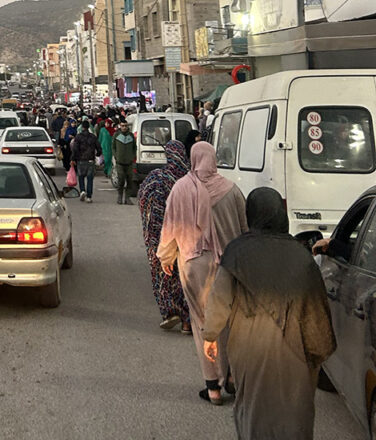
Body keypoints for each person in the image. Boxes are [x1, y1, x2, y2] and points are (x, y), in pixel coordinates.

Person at [203, 187, 336, 437]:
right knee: (296, 410)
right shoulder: (301, 256)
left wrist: (210, 336)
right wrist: (319, 352)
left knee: (254, 407)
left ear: (251, 214)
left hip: (249, 348)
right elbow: (317, 308)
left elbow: (219, 300)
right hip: (296, 351)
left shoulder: (237, 252)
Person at [157, 142, 248, 405]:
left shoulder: (180, 189)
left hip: (194, 265)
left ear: (193, 159)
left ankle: (213, 388)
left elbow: (170, 227)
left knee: (202, 324)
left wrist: (166, 257)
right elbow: (244, 230)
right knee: (229, 321)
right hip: (229, 266)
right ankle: (230, 377)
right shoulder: (232, 190)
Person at [137, 141, 192, 335]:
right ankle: (187, 320)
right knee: (185, 277)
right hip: (187, 237)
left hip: (159, 237)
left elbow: (142, 199)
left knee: (163, 274)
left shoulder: (155, 178)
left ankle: (169, 312)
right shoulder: (190, 179)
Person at [71, 121, 101, 203]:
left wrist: (73, 158)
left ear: (82, 127)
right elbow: (99, 147)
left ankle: (82, 191)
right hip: (90, 159)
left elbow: (75, 148)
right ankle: (89, 196)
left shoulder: (78, 137)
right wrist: (98, 154)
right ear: (88, 127)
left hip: (81, 159)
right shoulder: (93, 137)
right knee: (90, 178)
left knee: (81, 176)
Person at [112, 121, 137, 205]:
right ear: (120, 126)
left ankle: (127, 198)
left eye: (126, 126)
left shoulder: (131, 136)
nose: (124, 127)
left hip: (129, 162)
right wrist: (116, 156)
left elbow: (134, 147)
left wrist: (133, 157)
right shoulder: (116, 135)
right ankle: (120, 196)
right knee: (121, 179)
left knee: (130, 180)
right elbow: (113, 147)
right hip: (120, 162)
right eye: (122, 126)